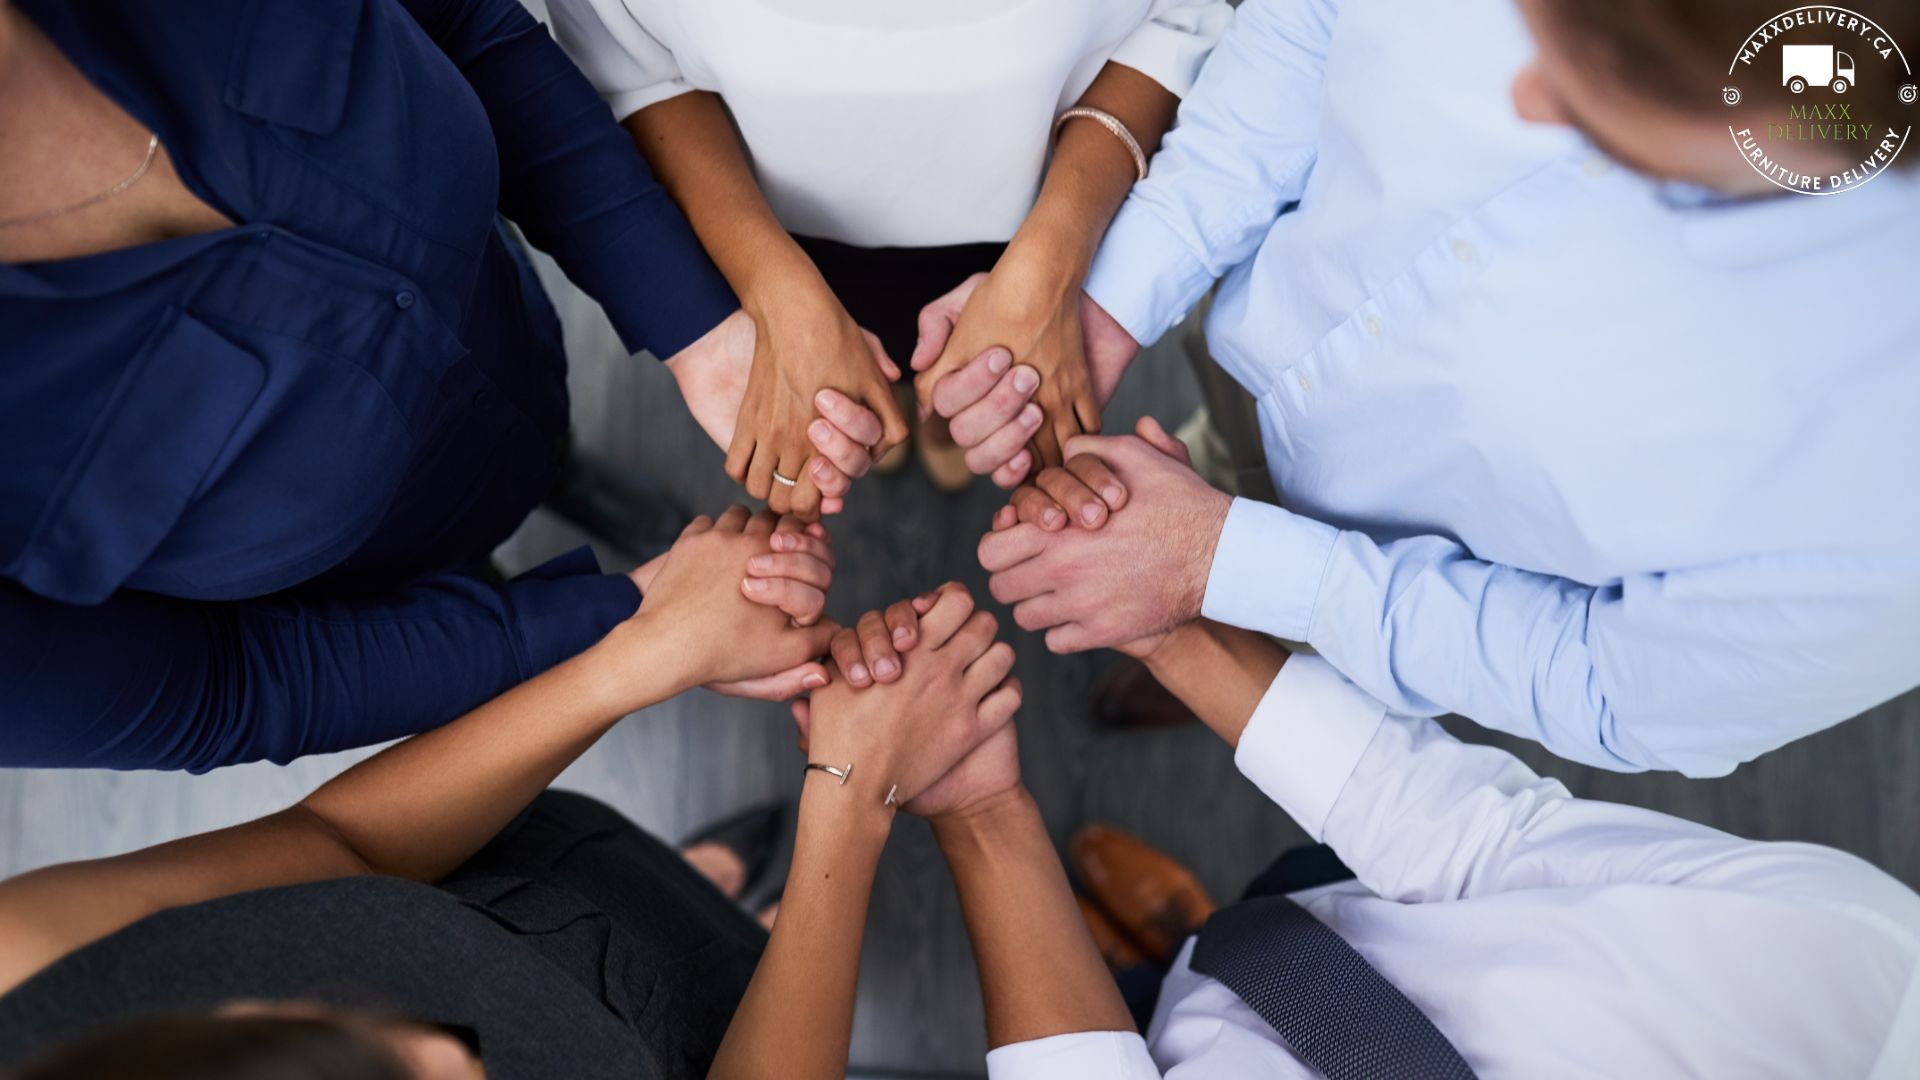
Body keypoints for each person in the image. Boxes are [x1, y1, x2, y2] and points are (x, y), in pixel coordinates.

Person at [945, 0, 1920, 776]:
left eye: (1605, 101)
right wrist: (1116, 296)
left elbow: (1611, 689)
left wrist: (1225, 567)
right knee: (1192, 472)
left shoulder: (1890, 508)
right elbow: (1320, 18)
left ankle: (1229, 655)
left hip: (1399, 577)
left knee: (1272, 658)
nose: (1530, 102)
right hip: (1255, 315)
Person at [0, 0, 865, 771]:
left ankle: (566, 469)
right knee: (452, 580)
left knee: (539, 424)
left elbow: (458, 20)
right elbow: (226, 687)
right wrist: (625, 622)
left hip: (506, 326)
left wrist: (698, 332)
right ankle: (547, 527)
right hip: (380, 569)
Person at [829, 509, 1920, 1077]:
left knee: (1126, 1004)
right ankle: (1180, 944)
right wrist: (1172, 622)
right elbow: (1487, 851)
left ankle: (1150, 964)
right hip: (1346, 945)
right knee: (1265, 922)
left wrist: (981, 814)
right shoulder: (1864, 966)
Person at [0, 508, 1026, 1080]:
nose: (459, 1045)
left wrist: (642, 654)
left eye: (339, 1016)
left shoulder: (28, 967)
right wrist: (848, 799)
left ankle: (714, 888)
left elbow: (335, 841)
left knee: (655, 899)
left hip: (516, 876)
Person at [545, 0, 1231, 510]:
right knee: (867, 376)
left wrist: (1050, 266)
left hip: (1041, 198)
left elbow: (1175, 18)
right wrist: (775, 291)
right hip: (769, 217)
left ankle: (936, 416)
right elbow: (636, 60)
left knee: (960, 383)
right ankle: (913, 409)